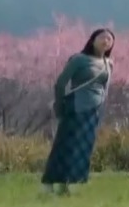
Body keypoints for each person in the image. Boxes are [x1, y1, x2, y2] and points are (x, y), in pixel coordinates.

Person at [42, 29, 114, 196]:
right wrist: (59, 105)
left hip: (93, 111)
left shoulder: (108, 63)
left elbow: (105, 89)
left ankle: (66, 184)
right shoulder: (79, 59)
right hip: (76, 107)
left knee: (81, 149)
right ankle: (48, 183)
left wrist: (101, 109)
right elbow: (61, 83)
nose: (106, 41)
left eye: (109, 39)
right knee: (65, 145)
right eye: (102, 37)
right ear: (93, 40)